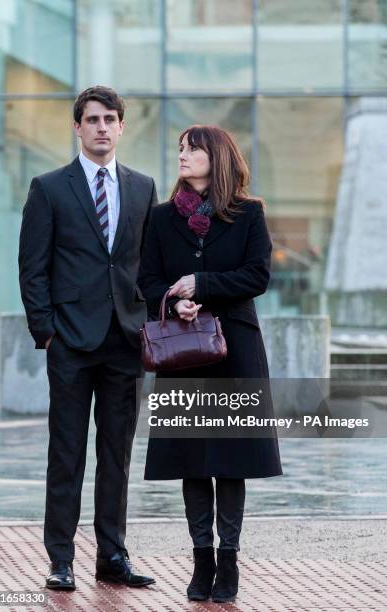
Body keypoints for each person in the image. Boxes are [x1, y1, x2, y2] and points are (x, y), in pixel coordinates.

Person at [18, 86, 157, 591]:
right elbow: (33, 268)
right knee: (67, 454)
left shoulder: (143, 187)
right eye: (92, 119)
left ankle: (112, 556)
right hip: (71, 343)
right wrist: (47, 333)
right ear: (77, 127)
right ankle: (61, 559)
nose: (101, 127)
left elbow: (149, 264)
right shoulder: (49, 188)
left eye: (110, 119)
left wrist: (152, 318)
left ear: (122, 127)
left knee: (116, 456)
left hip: (124, 339)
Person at [138, 125, 282, 603]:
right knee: (192, 459)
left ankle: (230, 562)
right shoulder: (160, 217)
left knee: (230, 459)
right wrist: (172, 302)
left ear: (215, 156)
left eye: (191, 148)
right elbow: (148, 277)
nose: (182, 155)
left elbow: (257, 274)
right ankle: (202, 560)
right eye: (179, 147)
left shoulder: (248, 213)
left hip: (235, 346)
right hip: (183, 352)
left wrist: (201, 285)